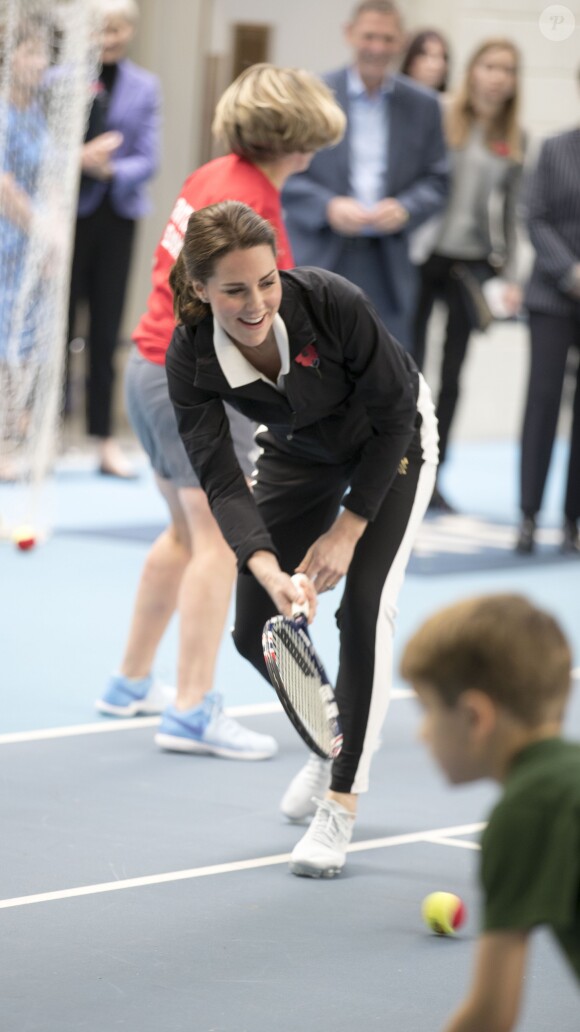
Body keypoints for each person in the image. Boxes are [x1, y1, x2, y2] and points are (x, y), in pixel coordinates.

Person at [165, 200, 439, 877]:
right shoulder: (191, 358)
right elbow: (223, 483)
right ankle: (331, 737)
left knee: (364, 607)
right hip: (299, 452)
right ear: (201, 289)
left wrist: (349, 527)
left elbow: (397, 413)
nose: (256, 302)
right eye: (233, 289)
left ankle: (340, 803)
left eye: (266, 282)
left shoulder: (331, 301)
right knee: (252, 625)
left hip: (393, 443)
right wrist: (266, 568)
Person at [96, 64, 346, 763]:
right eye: (315, 136)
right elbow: (260, 320)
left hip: (146, 373)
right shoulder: (249, 203)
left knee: (183, 534)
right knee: (219, 544)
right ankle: (192, 708)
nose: (319, 149)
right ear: (295, 136)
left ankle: (129, 681)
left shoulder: (215, 174)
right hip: (192, 388)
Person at [400, 593, 579, 1032]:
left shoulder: (524, 813)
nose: (422, 734)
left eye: (427, 712)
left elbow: (490, 1017)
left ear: (474, 718)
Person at [281, 0, 449, 347]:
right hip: (322, 251)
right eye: (369, 36)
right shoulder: (313, 94)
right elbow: (282, 173)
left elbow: (439, 179)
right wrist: (327, 206)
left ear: (401, 41)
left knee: (385, 369)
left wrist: (406, 208)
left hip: (388, 261)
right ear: (350, 34)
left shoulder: (423, 105)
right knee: (314, 364)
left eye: (387, 39)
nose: (377, 48)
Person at [410, 39, 525, 512]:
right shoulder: (440, 115)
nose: (498, 76)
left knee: (453, 375)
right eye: (489, 65)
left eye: (508, 69)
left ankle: (436, 475)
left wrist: (512, 276)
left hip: (471, 265)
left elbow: (513, 216)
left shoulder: (516, 140)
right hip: (423, 256)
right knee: (408, 369)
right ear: (472, 69)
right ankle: (398, 467)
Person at [66, 0, 161, 478]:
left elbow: (148, 157)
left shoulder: (145, 86)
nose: (111, 35)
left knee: (105, 330)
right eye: (102, 27)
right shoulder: (57, 81)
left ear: (130, 31)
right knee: (60, 328)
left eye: (119, 27)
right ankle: (44, 435)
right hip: (64, 220)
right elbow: (43, 149)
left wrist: (109, 169)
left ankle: (103, 439)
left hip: (116, 217)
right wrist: (78, 159)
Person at [515, 76, 580, 555]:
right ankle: (529, 516)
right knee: (542, 401)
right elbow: (534, 216)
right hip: (553, 297)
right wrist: (571, 270)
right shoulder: (554, 148)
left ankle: (572, 520)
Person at [0, 13, 52, 480]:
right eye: (29, 51)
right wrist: (41, 229)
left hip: (31, 246)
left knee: (24, 339)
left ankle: (15, 434)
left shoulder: (37, 111)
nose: (38, 62)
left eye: (43, 53)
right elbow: (3, 184)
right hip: (7, 240)